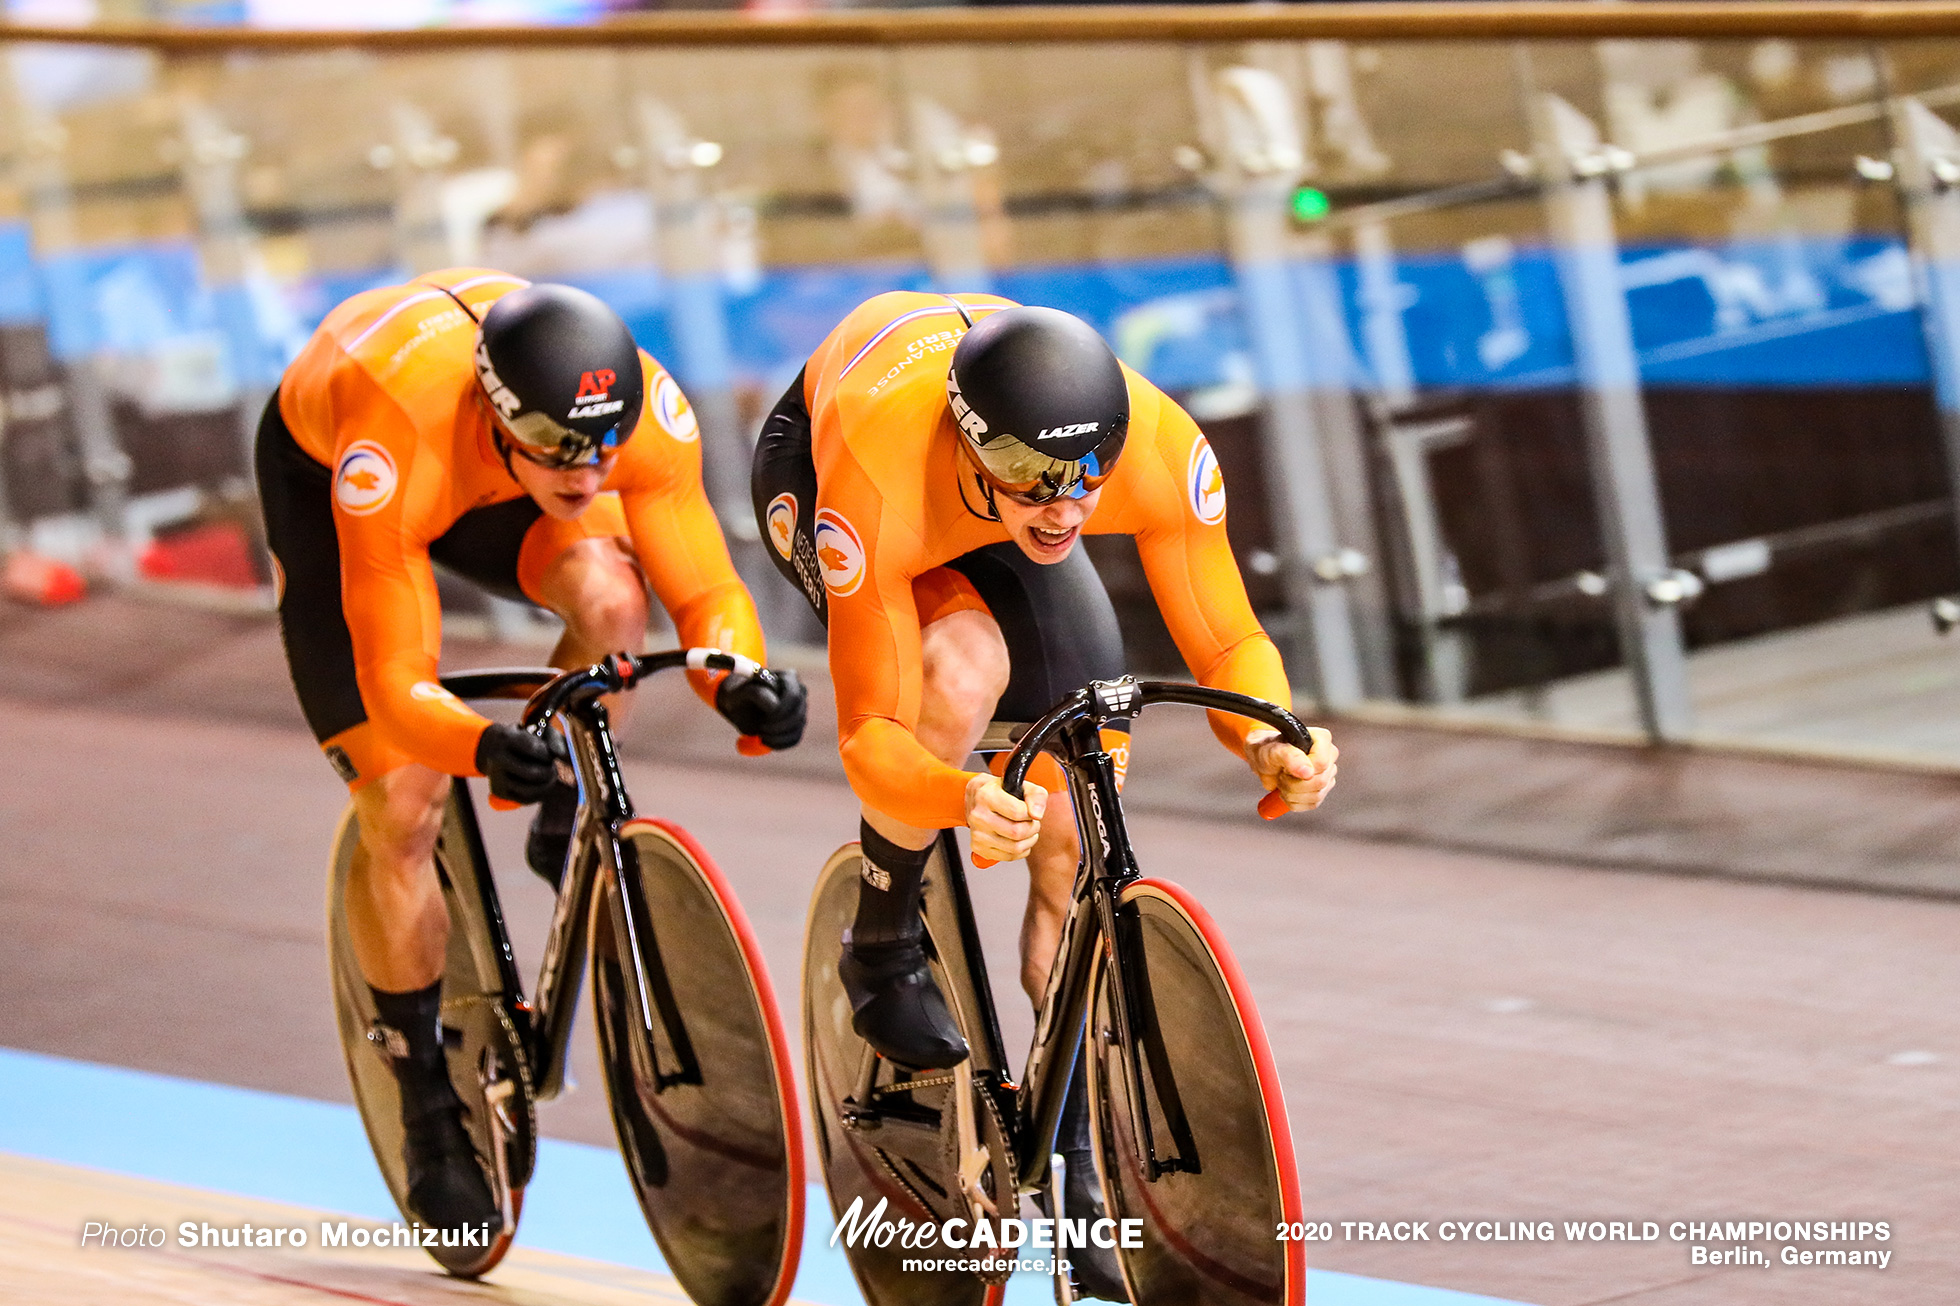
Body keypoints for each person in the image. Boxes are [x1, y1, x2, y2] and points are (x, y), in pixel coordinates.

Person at [752, 291, 1336, 1299]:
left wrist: (1267, 735)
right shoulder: (882, 475)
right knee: (961, 666)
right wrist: (955, 793)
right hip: (831, 462)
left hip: (970, 496)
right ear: (976, 444)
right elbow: (870, 731)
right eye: (1032, 480)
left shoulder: (1153, 443)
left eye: (1085, 480)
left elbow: (1230, 641)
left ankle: (1073, 1163)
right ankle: (881, 935)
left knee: (1081, 792)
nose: (1065, 506)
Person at [257, 267, 806, 1238]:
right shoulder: (398, 436)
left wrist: (741, 680)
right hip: (355, 468)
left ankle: (563, 819)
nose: (589, 475)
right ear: (502, 411)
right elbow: (396, 677)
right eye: (563, 448)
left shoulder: (636, 418)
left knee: (613, 602)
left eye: (603, 449)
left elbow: (708, 597)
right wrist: (473, 743)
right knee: (406, 804)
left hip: (490, 458)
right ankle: (424, 1096)